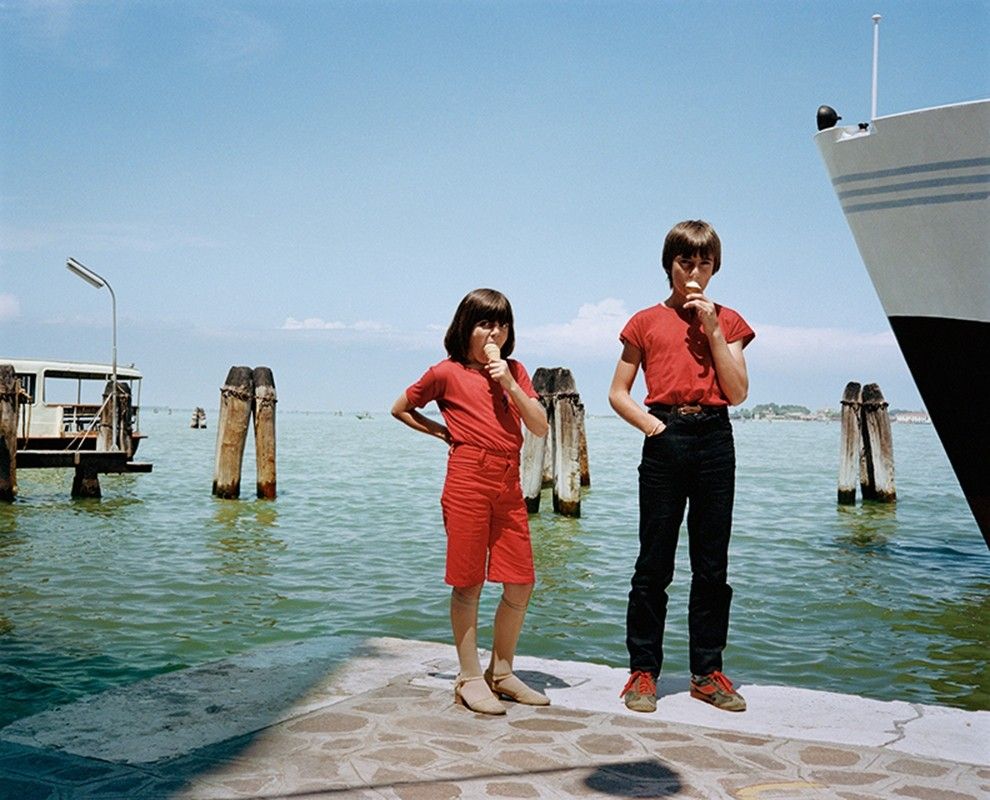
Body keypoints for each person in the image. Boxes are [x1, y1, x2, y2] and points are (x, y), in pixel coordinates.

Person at [608, 220, 755, 714]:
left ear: (715, 268)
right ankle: (642, 672)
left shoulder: (729, 321)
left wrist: (712, 328)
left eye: (703, 264)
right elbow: (618, 393)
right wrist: (654, 427)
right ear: (669, 264)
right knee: (654, 563)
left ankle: (706, 673)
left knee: (712, 565)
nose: (693, 273)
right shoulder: (644, 322)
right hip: (664, 436)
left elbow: (738, 392)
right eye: (684, 262)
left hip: (715, 438)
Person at [392, 288, 550, 715]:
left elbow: (539, 426)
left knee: (521, 580)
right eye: (484, 323)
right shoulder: (445, 372)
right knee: (468, 581)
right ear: (465, 328)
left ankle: (502, 672)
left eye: (501, 324)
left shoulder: (515, 371)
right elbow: (401, 407)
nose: (494, 332)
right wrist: (442, 432)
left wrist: (508, 383)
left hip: (508, 481)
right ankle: (468, 677)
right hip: (468, 478)